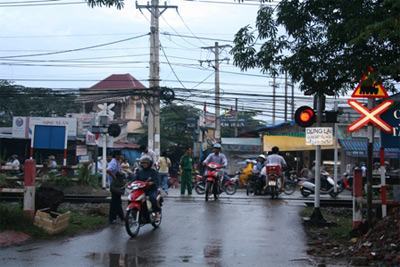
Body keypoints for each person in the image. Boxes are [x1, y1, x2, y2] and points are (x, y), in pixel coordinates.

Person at [107, 150, 124, 224]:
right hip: (114, 185)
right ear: (116, 155)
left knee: (117, 201)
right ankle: (116, 217)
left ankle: (119, 217)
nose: (121, 156)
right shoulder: (114, 162)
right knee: (115, 202)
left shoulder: (117, 162)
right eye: (119, 155)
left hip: (116, 185)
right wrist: (115, 178)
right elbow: (108, 170)